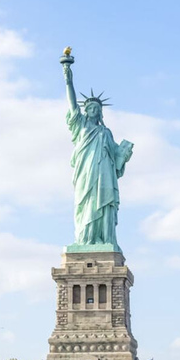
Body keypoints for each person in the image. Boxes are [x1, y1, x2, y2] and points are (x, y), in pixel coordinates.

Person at [62, 62, 133, 249]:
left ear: (100, 112)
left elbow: (116, 159)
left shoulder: (106, 132)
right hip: (85, 173)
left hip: (104, 175)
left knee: (102, 203)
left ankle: (104, 239)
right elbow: (72, 106)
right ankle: (85, 240)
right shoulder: (81, 126)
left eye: (96, 108)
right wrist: (68, 80)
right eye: (90, 108)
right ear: (86, 111)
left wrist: (123, 154)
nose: (93, 110)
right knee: (86, 204)